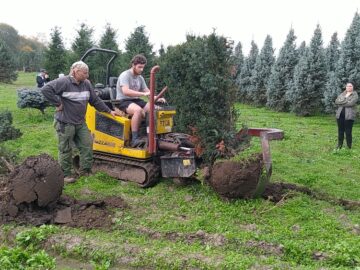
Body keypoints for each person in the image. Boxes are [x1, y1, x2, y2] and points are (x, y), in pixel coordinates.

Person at [41, 61, 118, 183]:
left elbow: (95, 100)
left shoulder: (86, 84)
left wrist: (109, 111)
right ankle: (65, 175)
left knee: (87, 144)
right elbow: (46, 89)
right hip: (65, 122)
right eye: (85, 73)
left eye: (87, 73)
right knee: (65, 149)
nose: (87, 75)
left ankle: (85, 171)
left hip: (80, 122)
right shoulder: (63, 82)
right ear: (75, 71)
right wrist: (58, 103)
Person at [116, 54, 165, 147]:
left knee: (154, 108)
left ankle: (152, 135)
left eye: (143, 67)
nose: (141, 69)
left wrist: (157, 97)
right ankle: (134, 139)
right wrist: (142, 94)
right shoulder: (125, 75)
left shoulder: (140, 77)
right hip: (123, 101)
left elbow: (147, 91)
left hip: (135, 100)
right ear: (133, 65)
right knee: (138, 110)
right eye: (139, 67)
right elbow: (126, 91)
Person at [335, 82, 358, 149]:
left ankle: (349, 146)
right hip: (340, 116)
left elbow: (351, 104)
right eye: (347, 86)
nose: (349, 87)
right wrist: (346, 101)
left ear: (353, 87)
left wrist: (341, 102)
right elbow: (336, 101)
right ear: (346, 87)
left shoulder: (355, 95)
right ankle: (339, 145)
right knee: (340, 131)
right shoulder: (343, 93)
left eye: (350, 86)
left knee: (348, 132)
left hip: (349, 116)